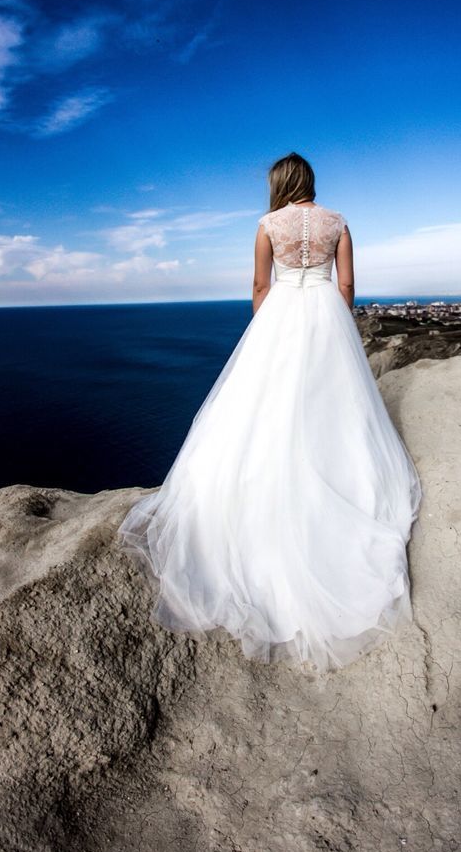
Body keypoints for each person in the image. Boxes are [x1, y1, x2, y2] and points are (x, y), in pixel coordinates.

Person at [116, 152, 422, 671]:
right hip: (325, 312)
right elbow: (346, 287)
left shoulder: (267, 225)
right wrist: (335, 325)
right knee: (334, 408)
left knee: (262, 409)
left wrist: (270, 328)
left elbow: (260, 288)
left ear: (279, 183)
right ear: (311, 182)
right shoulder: (339, 222)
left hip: (280, 315)